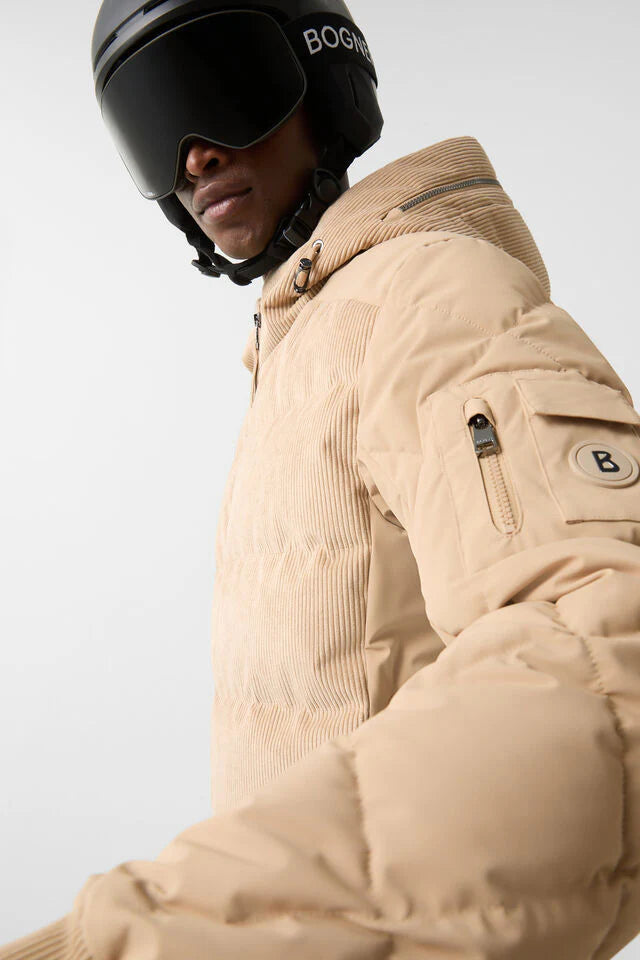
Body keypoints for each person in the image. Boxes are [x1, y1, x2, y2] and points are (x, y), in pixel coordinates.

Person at [3, 0, 640, 958]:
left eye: (220, 87)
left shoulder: (431, 294)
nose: (194, 157)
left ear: (324, 82)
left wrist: (151, 940)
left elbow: (605, 649)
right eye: (154, 123)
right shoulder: (303, 344)